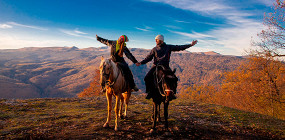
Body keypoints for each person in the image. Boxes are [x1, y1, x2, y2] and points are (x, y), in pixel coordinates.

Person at [136, 35, 197, 99]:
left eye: (157, 39)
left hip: (165, 66)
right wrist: (141, 63)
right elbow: (148, 58)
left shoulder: (168, 47)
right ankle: (149, 92)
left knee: (174, 78)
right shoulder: (154, 49)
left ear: (161, 40)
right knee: (147, 78)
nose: (155, 41)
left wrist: (190, 45)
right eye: (155, 39)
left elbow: (179, 47)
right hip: (156, 66)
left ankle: (173, 93)